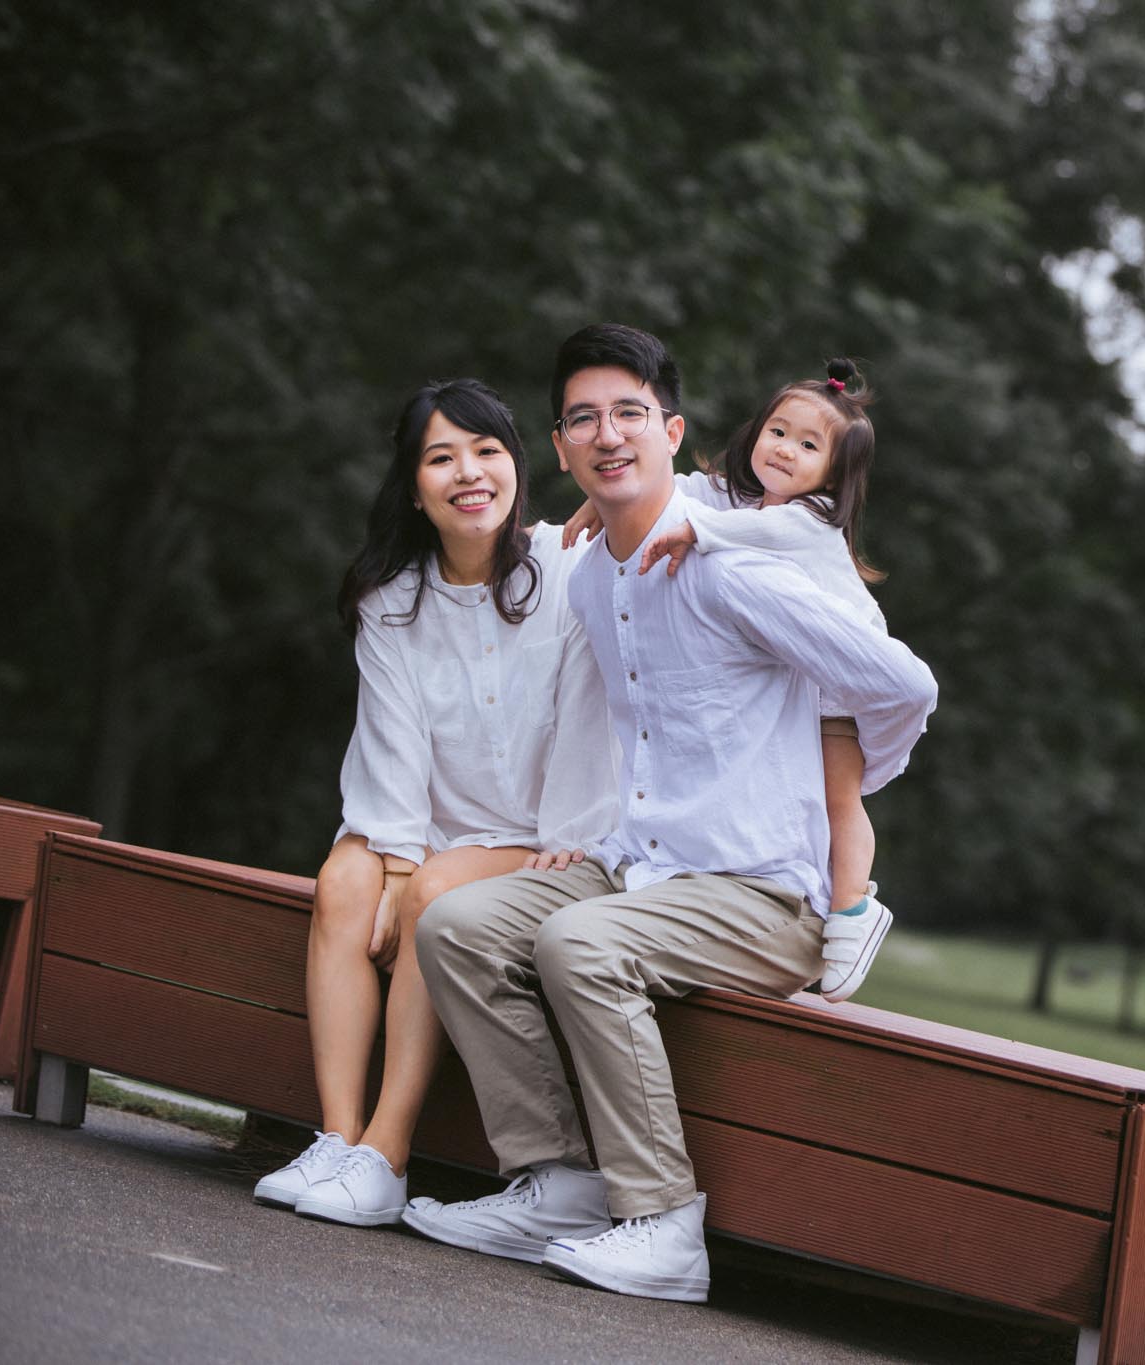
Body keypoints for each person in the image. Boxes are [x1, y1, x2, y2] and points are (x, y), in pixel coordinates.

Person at [403, 324, 937, 1304]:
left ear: (672, 432)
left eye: (629, 414)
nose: (607, 435)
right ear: (560, 448)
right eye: (583, 419)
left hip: (761, 893)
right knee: (455, 925)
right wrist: (576, 834)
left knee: (580, 945)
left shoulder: (734, 569)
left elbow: (904, 686)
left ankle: (662, 1224)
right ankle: (558, 1182)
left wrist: (844, 779)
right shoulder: (593, 572)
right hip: (637, 867)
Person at [252, 379, 618, 1229]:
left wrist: (417, 879)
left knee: (434, 889)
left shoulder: (570, 568)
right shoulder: (391, 600)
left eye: (487, 451)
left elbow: (585, 739)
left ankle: (387, 1154)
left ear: (518, 464)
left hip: (543, 838)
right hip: (422, 830)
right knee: (342, 883)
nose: (469, 473)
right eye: (441, 458)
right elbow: (392, 748)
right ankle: (338, 1139)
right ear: (415, 488)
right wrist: (391, 866)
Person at [560, 357, 894, 1002]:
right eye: (778, 431)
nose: (786, 449)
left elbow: (734, 525)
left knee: (839, 799)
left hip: (840, 687)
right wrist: (603, 498)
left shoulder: (807, 520)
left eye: (809, 446)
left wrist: (692, 528)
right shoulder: (737, 499)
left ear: (834, 474)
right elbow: (678, 484)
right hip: (799, 679)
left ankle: (853, 908)